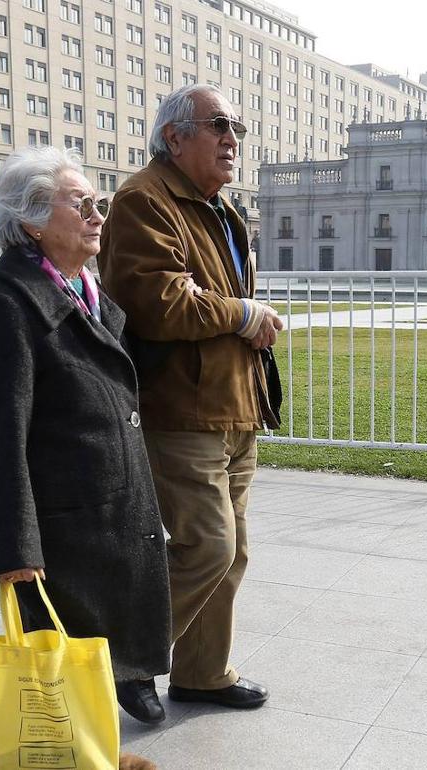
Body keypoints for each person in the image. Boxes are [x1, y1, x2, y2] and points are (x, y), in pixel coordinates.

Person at [0, 146, 170, 770]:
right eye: (82, 204)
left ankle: (65, 746)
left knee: (82, 640)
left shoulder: (82, 290)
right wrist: (13, 549)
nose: (98, 215)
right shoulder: (9, 307)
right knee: (57, 643)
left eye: (98, 203)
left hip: (106, 506)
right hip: (60, 521)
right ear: (31, 222)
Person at [98, 83, 283, 720]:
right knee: (207, 545)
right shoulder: (143, 200)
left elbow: (215, 301)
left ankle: (204, 673)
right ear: (174, 137)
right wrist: (244, 313)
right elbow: (159, 301)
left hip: (233, 404)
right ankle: (127, 658)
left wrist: (244, 320)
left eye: (237, 128)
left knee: (232, 553)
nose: (233, 140)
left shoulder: (220, 208)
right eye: (219, 125)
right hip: (181, 410)